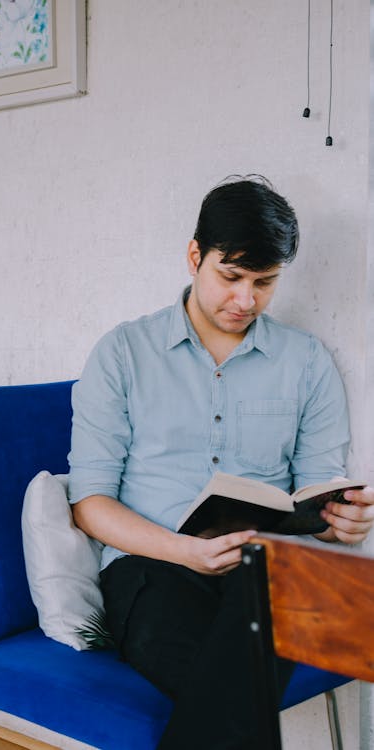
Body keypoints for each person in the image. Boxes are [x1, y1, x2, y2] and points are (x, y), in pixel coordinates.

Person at [67, 176, 374, 750]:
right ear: (194, 257)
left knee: (264, 640)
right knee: (236, 682)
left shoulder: (306, 362)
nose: (245, 301)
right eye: (230, 277)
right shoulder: (122, 353)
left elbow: (317, 490)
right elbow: (89, 503)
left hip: (268, 568)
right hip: (151, 566)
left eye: (265, 283)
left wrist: (342, 523)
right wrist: (184, 550)